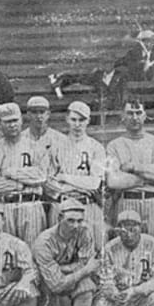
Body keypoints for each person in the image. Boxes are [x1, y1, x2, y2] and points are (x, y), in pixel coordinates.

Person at [32, 198, 100, 306]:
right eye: (70, 221)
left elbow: (86, 262)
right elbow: (56, 284)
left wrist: (63, 268)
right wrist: (83, 270)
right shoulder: (44, 241)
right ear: (59, 218)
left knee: (86, 284)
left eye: (79, 221)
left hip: (65, 277)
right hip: (46, 284)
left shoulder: (84, 231)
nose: (76, 225)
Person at [107, 99, 154, 246]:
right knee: (126, 250)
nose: (135, 117)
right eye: (130, 113)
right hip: (127, 202)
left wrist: (133, 167)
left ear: (145, 115)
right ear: (122, 116)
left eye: (138, 113)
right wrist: (148, 178)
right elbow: (114, 181)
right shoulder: (114, 145)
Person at [0, 102, 49, 244]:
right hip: (5, 207)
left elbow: (42, 175)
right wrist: (21, 184)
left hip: (32, 206)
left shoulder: (37, 146)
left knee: (33, 254)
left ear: (21, 120)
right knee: (7, 255)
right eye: (7, 122)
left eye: (15, 120)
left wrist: (10, 173)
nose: (12, 125)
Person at [49, 100, 108, 246]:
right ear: (67, 119)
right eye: (73, 119)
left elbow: (94, 183)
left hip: (88, 206)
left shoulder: (96, 147)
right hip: (62, 206)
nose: (77, 124)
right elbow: (49, 182)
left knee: (94, 250)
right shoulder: (55, 146)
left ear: (88, 121)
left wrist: (64, 177)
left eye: (82, 120)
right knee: (61, 251)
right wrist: (80, 184)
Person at [22, 96, 68, 222]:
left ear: (48, 114)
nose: (39, 116)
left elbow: (65, 170)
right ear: (28, 114)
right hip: (31, 196)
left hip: (55, 196)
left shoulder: (61, 140)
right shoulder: (19, 140)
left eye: (42, 112)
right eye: (34, 112)